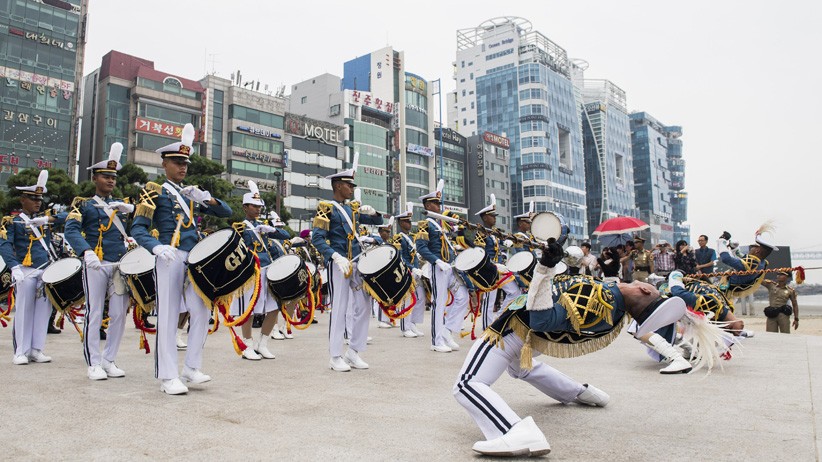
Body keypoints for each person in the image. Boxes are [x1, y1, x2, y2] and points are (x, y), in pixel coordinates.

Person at [453, 239, 686, 456]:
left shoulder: (599, 298)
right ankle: (579, 392)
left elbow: (542, 320)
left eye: (647, 285)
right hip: (531, 341)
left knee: (467, 384)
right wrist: (552, 264)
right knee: (520, 368)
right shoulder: (611, 307)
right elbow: (562, 293)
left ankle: (515, 433)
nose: (641, 282)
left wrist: (543, 268)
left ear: (644, 291)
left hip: (512, 332)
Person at [131, 123, 232, 395]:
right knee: (168, 314)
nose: (183, 167)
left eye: (185, 162)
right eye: (177, 162)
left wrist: (207, 198)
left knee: (201, 311)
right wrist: (155, 247)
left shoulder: (189, 193)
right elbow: (137, 228)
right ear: (165, 163)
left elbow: (227, 212)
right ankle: (167, 375)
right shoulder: (154, 190)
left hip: (193, 258)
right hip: (168, 255)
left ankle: (191, 367)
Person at [64, 143, 133, 380]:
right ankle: (93, 362)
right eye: (106, 176)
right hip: (95, 263)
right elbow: (71, 230)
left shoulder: (121, 206)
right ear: (95, 178)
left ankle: (109, 359)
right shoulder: (83, 204)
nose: (111, 181)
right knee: (94, 312)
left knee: (119, 313)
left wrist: (131, 212)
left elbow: (134, 232)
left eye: (113, 177)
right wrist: (86, 252)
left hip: (117, 264)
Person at [311, 153, 383, 372]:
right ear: (338, 185)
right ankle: (335, 356)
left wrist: (374, 212)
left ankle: (353, 352)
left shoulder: (352, 209)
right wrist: (334, 256)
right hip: (339, 263)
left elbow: (377, 221)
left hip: (357, 263)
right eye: (349, 185)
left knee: (363, 307)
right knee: (340, 308)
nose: (352, 189)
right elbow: (317, 238)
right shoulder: (326, 207)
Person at [0, 171, 67, 365]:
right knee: (24, 310)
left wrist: (47, 220)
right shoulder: (12, 221)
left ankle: (37, 349)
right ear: (23, 200)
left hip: (45, 269)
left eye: (40, 199)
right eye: (33, 199)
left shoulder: (43, 219)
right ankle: (21, 350)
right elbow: (4, 245)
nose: (38, 202)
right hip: (25, 269)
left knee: (43, 310)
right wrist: (14, 268)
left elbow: (68, 216)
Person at [230, 181, 291, 360]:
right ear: (245, 207)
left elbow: (286, 236)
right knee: (248, 310)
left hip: (268, 270)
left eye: (259, 206)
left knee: (274, 308)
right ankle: (247, 344)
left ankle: (262, 343)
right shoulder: (240, 227)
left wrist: (271, 228)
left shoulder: (261, 226)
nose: (258, 209)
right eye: (254, 206)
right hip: (251, 271)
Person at [416, 179, 469, 353]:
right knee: (439, 304)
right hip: (437, 267)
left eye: (439, 203)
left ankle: (447, 331)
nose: (438, 206)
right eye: (435, 203)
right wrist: (436, 261)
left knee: (463, 297)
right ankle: (436, 340)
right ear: (427, 206)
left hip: (450, 267)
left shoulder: (442, 224)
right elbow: (421, 248)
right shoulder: (425, 224)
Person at [471, 194, 521, 330]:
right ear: (485, 217)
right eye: (492, 216)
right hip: (489, 270)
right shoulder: (481, 233)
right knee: (489, 300)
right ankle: (487, 330)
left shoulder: (494, 232)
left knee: (514, 292)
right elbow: (479, 254)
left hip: (499, 269)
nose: (494, 218)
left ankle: (497, 320)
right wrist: (492, 264)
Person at [393, 202, 426, 338]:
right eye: (406, 221)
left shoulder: (412, 237)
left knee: (420, 298)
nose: (409, 224)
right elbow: (399, 257)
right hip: (405, 272)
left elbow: (415, 257)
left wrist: (418, 269)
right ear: (401, 223)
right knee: (406, 300)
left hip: (415, 272)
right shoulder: (398, 238)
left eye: (410, 221)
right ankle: (404, 327)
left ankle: (413, 323)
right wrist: (412, 269)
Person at [716, 225, 774, 300]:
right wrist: (735, 250)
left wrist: (722, 241)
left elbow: (726, 259)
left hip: (725, 291)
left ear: (757, 251)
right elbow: (746, 260)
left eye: (752, 247)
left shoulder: (752, 263)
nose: (750, 249)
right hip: (731, 290)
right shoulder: (762, 262)